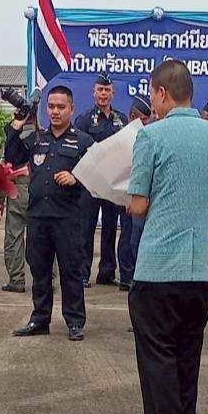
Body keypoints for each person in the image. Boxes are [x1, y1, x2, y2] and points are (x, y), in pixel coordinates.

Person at [124, 61, 208, 414]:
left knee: (157, 353)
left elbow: (138, 205)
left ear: (161, 93)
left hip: (158, 265)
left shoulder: (151, 136)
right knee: (188, 352)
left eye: (152, 94)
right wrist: (196, 208)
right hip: (200, 267)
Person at [6, 85, 94, 339]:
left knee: (71, 271)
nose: (55, 111)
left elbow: (97, 176)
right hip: (38, 216)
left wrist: (76, 177)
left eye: (61, 107)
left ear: (71, 109)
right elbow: (12, 156)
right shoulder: (37, 139)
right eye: (51, 106)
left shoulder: (83, 141)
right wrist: (17, 124)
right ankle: (40, 319)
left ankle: (74, 322)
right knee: (40, 270)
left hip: (67, 218)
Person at [75, 74, 128, 287]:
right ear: (94, 92)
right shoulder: (84, 120)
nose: (103, 94)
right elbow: (78, 150)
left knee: (110, 229)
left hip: (112, 184)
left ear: (113, 93)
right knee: (85, 229)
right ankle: (82, 273)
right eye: (100, 90)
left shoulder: (121, 120)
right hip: (90, 183)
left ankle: (107, 272)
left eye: (107, 90)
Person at [0, 106, 37, 294]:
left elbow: (4, 169)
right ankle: (47, 279)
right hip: (39, 191)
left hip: (18, 190)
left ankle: (16, 280)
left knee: (14, 237)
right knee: (43, 237)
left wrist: (0, 201)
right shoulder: (45, 136)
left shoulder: (13, 136)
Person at [116, 95, 153, 291]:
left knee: (139, 237)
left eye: (147, 119)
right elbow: (121, 172)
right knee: (129, 237)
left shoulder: (150, 136)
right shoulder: (124, 138)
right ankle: (126, 275)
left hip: (145, 197)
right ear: (132, 117)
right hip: (128, 196)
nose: (145, 123)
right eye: (142, 119)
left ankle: (138, 274)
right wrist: (126, 199)